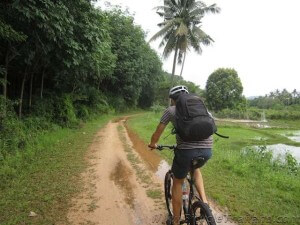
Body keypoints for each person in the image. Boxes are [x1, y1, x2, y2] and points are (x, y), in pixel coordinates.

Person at [148, 85, 213, 225]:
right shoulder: (203, 110)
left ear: (173, 99)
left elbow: (158, 131)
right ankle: (205, 204)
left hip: (186, 152)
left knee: (177, 182)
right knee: (196, 169)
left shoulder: (171, 110)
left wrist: (153, 143)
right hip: (207, 150)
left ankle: (176, 221)